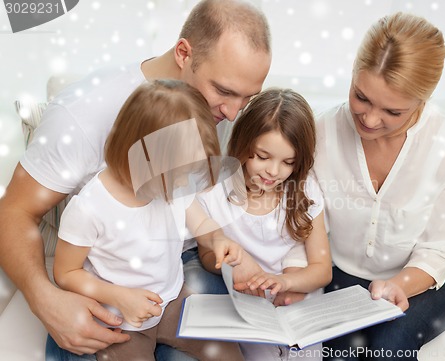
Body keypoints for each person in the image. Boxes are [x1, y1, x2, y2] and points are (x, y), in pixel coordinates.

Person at [0, 0, 271, 360]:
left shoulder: (217, 117)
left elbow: (192, 208)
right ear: (183, 53)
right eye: (223, 91)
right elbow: (14, 212)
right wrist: (45, 300)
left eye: (247, 98)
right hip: (113, 293)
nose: (233, 113)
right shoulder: (83, 115)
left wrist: (218, 243)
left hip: (173, 281)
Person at [312, 12, 445, 360]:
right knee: (340, 353)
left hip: (431, 279)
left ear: (422, 101)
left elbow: (438, 250)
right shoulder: (321, 132)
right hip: (346, 274)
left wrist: (399, 285)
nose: (370, 119)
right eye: (361, 97)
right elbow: (305, 223)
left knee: (390, 347)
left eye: (392, 111)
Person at [54, 79, 247, 361]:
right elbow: (66, 273)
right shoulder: (89, 209)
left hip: (173, 301)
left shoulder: (173, 185)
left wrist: (219, 240)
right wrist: (119, 297)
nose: (185, 182)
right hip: (122, 320)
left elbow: (201, 223)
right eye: (180, 173)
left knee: (229, 353)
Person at [197, 88, 333, 361]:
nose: (273, 171)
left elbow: (322, 270)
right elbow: (206, 253)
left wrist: (285, 282)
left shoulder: (304, 190)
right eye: (262, 156)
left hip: (298, 295)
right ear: (243, 144)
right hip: (251, 304)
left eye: (288, 162)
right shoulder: (216, 190)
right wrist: (233, 265)